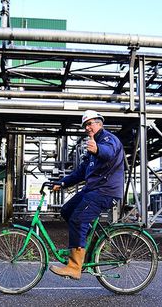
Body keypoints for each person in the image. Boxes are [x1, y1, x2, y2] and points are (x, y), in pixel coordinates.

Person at [50, 109, 125, 280]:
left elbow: (109, 152)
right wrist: (62, 183)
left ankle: (75, 267)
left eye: (90, 123)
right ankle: (90, 245)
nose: (87, 127)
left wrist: (97, 149)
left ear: (100, 123)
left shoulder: (107, 139)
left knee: (78, 219)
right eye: (85, 125)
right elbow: (80, 172)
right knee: (67, 210)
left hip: (105, 190)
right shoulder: (91, 148)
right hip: (92, 189)